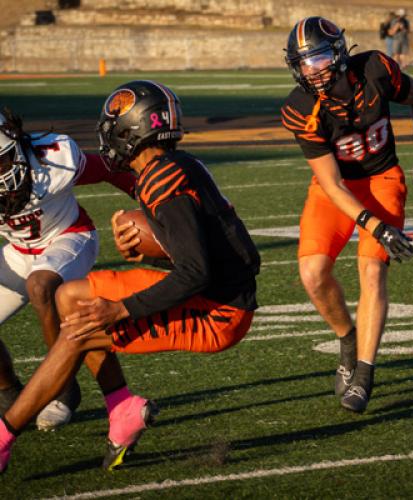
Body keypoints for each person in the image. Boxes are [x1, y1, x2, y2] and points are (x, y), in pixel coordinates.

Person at [0, 80, 260, 473]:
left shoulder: (161, 179)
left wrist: (120, 310)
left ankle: (4, 438)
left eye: (114, 130)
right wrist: (149, 252)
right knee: (72, 298)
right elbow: (217, 254)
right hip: (216, 292)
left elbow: (196, 272)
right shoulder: (178, 165)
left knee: (82, 325)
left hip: (219, 314)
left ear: (130, 133)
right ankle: (122, 409)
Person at [281, 17, 413, 413]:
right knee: (312, 274)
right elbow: (331, 185)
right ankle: (347, 338)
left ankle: (365, 374)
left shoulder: (375, 70)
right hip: (336, 187)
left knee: (372, 271)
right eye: (303, 62)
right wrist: (374, 225)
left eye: (317, 57)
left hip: (382, 178)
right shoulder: (301, 108)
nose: (311, 69)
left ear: (336, 53)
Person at [0, 109, 136, 430]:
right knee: (35, 281)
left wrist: (148, 197)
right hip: (20, 252)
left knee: (40, 286)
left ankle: (63, 387)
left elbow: (108, 169)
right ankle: (8, 394)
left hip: (69, 237)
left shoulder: (52, 161)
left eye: (3, 160)